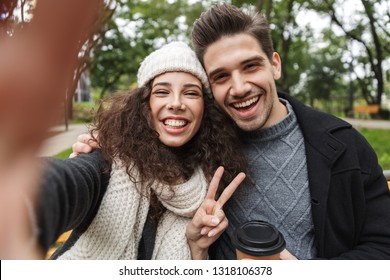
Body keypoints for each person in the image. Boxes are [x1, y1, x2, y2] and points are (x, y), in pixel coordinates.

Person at [74, 3, 390, 260]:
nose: (239, 88)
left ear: (275, 65)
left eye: (251, 66)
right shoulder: (198, 148)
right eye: (221, 76)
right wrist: (101, 146)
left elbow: (382, 246)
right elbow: (143, 144)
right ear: (210, 87)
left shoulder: (344, 145)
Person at [36, 41, 246, 260]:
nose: (176, 103)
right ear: (144, 103)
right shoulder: (108, 157)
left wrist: (198, 248)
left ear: (205, 109)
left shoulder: (212, 184)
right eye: (162, 91)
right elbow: (65, 183)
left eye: (191, 93)